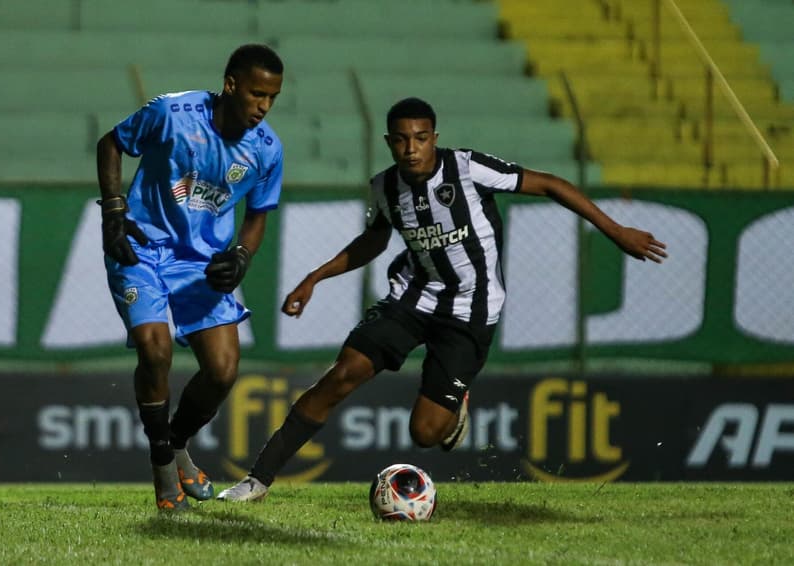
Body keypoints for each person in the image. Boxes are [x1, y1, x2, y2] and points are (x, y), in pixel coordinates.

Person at [216, 97, 668, 502]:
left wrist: (615, 230)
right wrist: (314, 278)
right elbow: (372, 242)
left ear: (435, 137)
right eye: (402, 140)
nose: (411, 148)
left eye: (421, 138)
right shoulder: (385, 187)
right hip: (414, 297)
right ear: (389, 142)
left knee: (425, 433)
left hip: (472, 309)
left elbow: (549, 184)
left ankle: (456, 401)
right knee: (341, 376)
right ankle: (256, 481)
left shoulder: (468, 169)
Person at [96, 44, 284, 511]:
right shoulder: (172, 112)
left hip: (200, 264)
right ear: (231, 85)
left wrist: (241, 255)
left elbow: (258, 215)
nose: (263, 106)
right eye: (257, 94)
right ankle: (163, 470)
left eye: (272, 98)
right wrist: (114, 211)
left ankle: (177, 443)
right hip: (141, 248)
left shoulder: (267, 150)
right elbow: (111, 143)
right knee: (154, 349)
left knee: (222, 371)